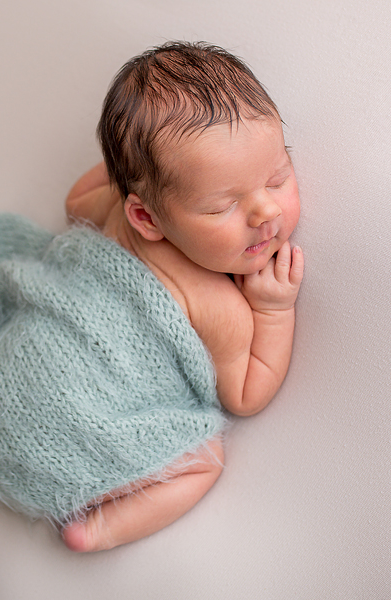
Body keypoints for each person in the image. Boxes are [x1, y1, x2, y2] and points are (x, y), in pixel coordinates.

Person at [60, 41, 304, 552]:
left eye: (278, 176)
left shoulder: (109, 207)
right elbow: (247, 395)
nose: (264, 211)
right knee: (203, 460)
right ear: (145, 218)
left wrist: (133, 171)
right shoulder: (219, 306)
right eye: (222, 206)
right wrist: (272, 309)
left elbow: (72, 202)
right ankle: (98, 528)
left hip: (19, 381)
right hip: (77, 423)